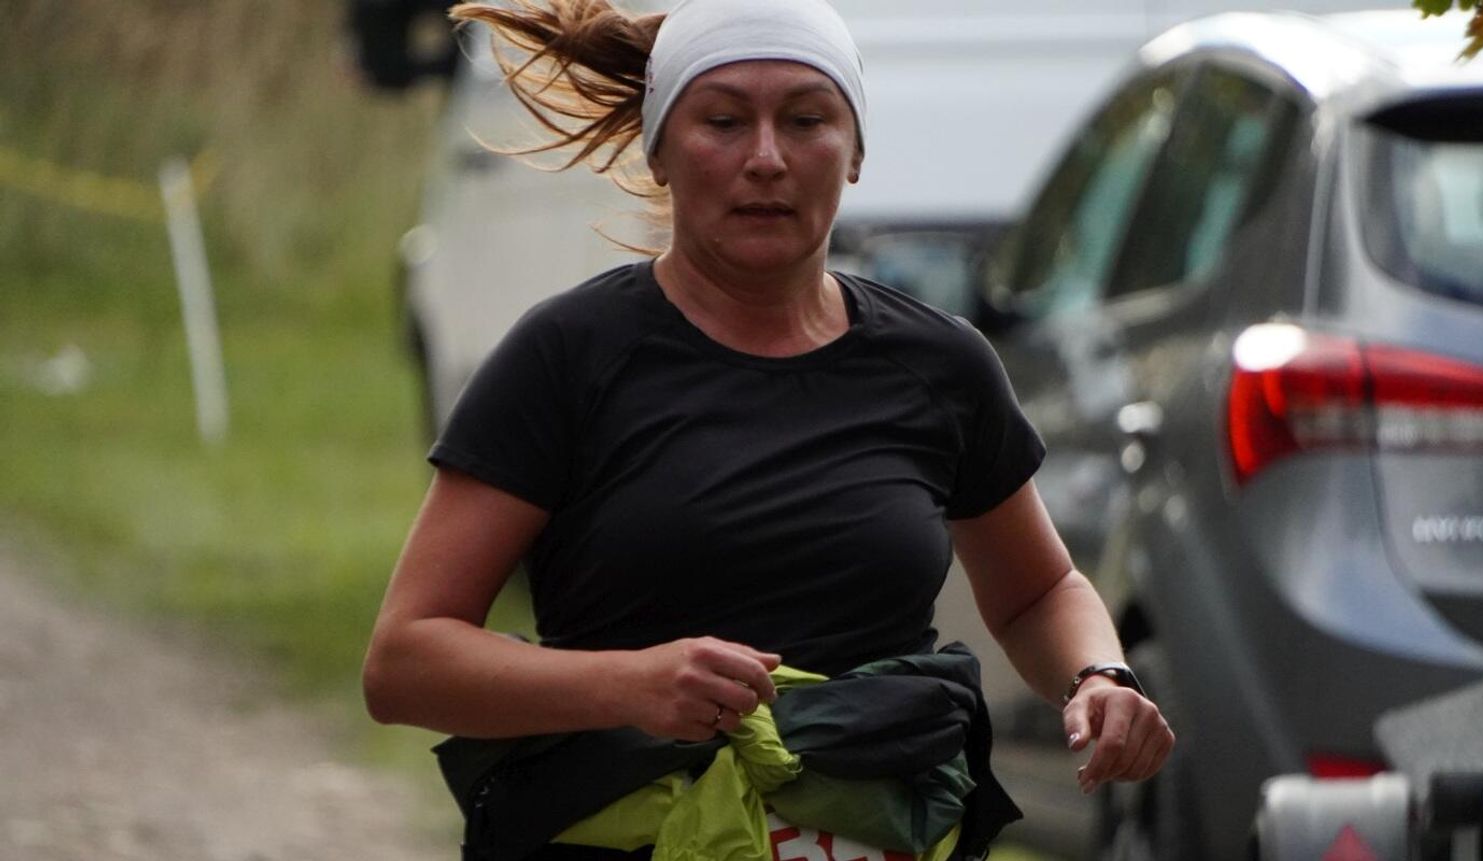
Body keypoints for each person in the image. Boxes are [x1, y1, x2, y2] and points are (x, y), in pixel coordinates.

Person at [362, 0, 1174, 857]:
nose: (765, 157)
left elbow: (1039, 592)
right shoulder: (568, 356)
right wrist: (629, 684)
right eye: (722, 121)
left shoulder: (939, 365)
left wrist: (1098, 675)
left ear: (854, 152)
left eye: (806, 121)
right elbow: (405, 661)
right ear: (659, 150)